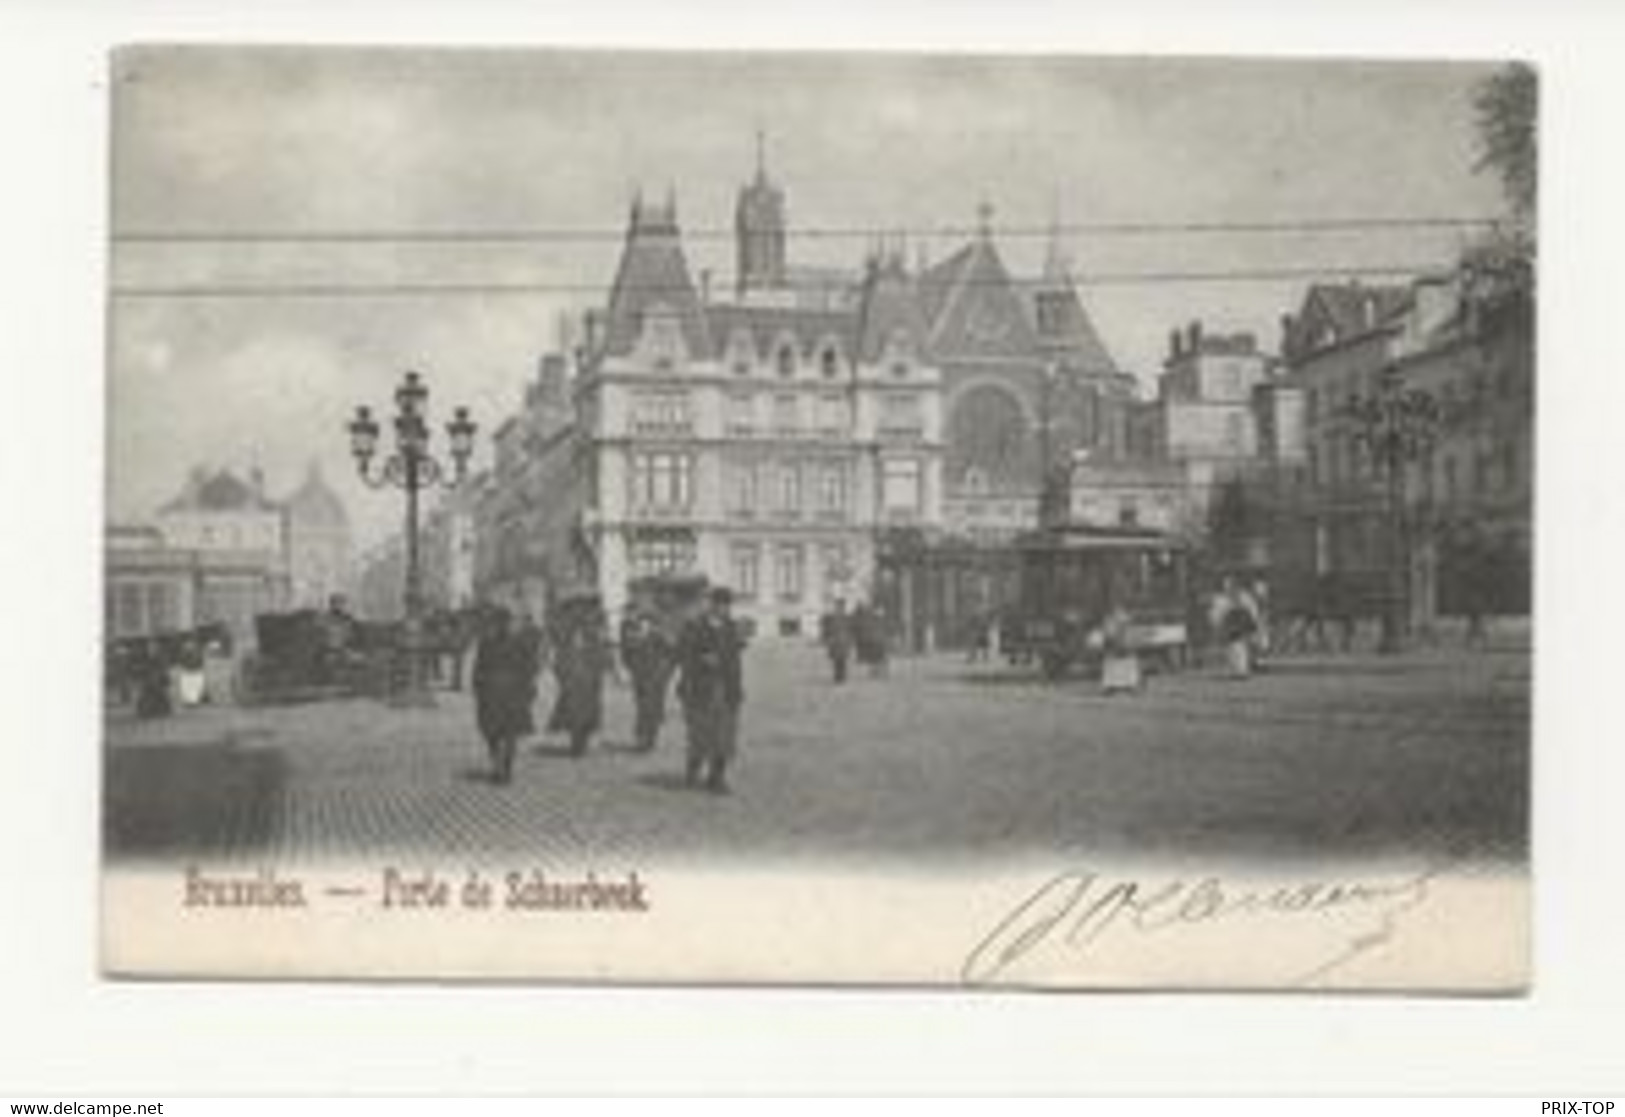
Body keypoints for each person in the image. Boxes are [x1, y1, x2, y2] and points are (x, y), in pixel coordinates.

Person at [676, 587, 746, 794]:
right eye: (719, 604)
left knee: (724, 736)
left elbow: (735, 661)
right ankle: (692, 770)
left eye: (726, 605)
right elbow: (683, 654)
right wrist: (701, 660)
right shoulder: (696, 627)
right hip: (700, 689)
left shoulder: (731, 628)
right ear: (711, 605)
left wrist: (737, 688)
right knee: (699, 734)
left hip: (726, 689)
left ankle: (717, 777)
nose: (723, 609)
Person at [471, 607, 534, 784]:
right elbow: (528, 669)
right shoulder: (493, 643)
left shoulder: (493, 643)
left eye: (503, 623)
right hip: (504, 693)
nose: (501, 626)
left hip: (499, 694)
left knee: (499, 732)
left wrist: (478, 688)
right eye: (500, 623)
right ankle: (503, 765)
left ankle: (503, 766)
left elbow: (527, 668)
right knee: (503, 732)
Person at [547, 598, 612, 758]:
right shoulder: (567, 633)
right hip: (576, 678)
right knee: (575, 710)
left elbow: (604, 654)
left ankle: (580, 741)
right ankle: (577, 742)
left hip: (587, 678)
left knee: (585, 710)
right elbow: (558, 657)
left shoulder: (593, 634)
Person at [620, 600, 676, 751]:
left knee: (654, 707)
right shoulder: (631, 633)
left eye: (647, 622)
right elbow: (626, 653)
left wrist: (665, 672)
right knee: (642, 706)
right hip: (640, 676)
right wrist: (630, 668)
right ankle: (642, 736)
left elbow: (672, 653)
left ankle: (650, 737)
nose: (644, 625)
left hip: (657, 677)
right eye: (642, 622)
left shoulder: (658, 635)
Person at [1216, 578, 1260, 679]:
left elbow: (1251, 610)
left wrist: (1252, 622)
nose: (1226, 588)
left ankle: (1241, 670)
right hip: (1232, 624)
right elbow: (1220, 613)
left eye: (1228, 585)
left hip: (1240, 623)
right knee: (1233, 647)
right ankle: (1237, 670)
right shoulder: (1223, 598)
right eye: (1225, 586)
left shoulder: (1243, 596)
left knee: (1239, 647)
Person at [819, 599, 854, 685]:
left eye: (841, 607)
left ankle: (842, 676)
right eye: (838, 607)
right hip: (835, 642)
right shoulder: (831, 618)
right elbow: (826, 628)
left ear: (843, 607)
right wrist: (827, 638)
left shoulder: (847, 618)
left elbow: (851, 629)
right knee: (836, 660)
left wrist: (850, 640)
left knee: (843, 660)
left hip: (844, 641)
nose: (839, 609)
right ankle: (837, 676)